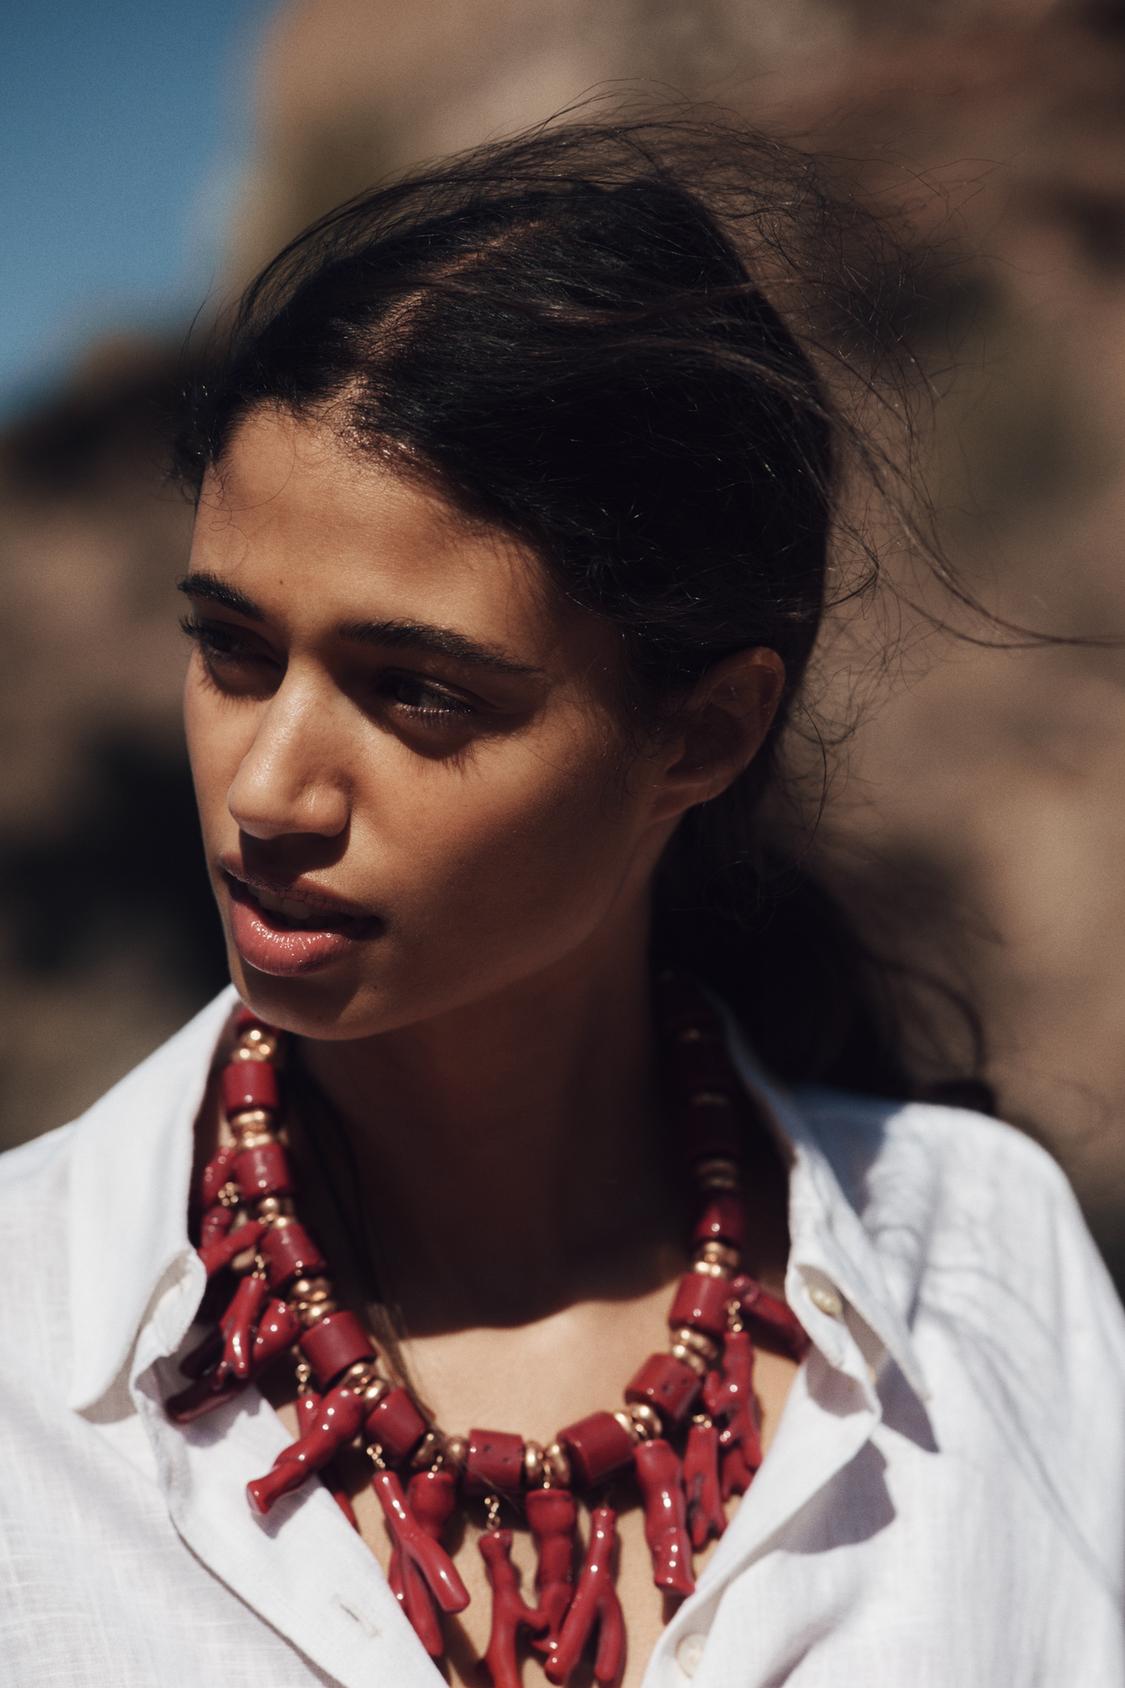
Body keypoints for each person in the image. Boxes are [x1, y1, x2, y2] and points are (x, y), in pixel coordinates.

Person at [2, 117, 1122, 1688]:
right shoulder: (24, 1339)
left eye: (417, 692)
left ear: (704, 731)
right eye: (232, 651)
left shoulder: (983, 1264)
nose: (267, 789)